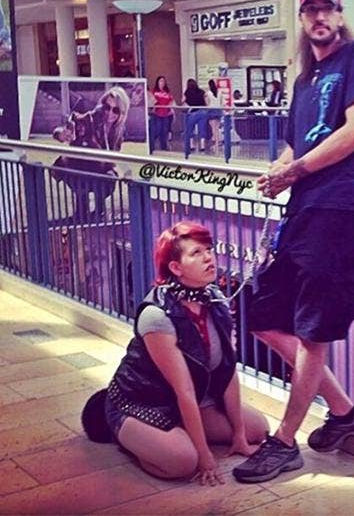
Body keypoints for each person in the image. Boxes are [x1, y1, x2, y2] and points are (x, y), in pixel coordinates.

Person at [232, 0, 354, 484]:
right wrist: (278, 171)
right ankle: (345, 412)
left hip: (338, 205)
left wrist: (294, 171)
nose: (319, 17)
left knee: (314, 330)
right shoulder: (303, 80)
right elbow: (298, 144)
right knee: (263, 316)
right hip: (301, 207)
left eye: (327, 8)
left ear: (339, 14)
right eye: (311, 10)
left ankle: (284, 442)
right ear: (302, 18)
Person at [101, 221, 269, 483]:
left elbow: (227, 372)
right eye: (196, 253)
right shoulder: (157, 315)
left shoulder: (214, 299)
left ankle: (181, 431)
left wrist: (239, 436)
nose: (208, 257)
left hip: (196, 400)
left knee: (257, 430)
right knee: (183, 462)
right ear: (176, 268)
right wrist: (204, 455)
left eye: (208, 249)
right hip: (143, 402)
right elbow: (184, 391)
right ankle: (132, 437)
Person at [51, 85, 130, 219]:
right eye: (107, 107)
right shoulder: (90, 118)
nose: (110, 113)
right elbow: (66, 128)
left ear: (122, 112)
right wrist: (61, 134)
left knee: (109, 179)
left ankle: (99, 210)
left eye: (115, 110)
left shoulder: (119, 130)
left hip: (100, 167)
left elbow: (113, 156)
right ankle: (81, 211)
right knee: (81, 181)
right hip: (79, 165)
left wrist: (122, 170)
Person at [183, 78, 210, 157]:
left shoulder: (187, 92)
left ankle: (192, 145)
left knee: (190, 128)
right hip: (202, 112)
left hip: (192, 112)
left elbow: (183, 101)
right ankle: (202, 146)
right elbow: (206, 102)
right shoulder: (201, 91)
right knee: (202, 129)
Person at [150, 75, 174, 151]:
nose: (162, 82)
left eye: (163, 81)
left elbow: (171, 101)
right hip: (157, 114)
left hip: (166, 114)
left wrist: (171, 109)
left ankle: (164, 147)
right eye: (160, 81)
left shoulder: (167, 92)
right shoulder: (154, 91)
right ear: (157, 82)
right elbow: (151, 101)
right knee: (157, 130)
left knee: (164, 131)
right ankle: (151, 146)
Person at [205, 78, 223, 152]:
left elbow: (207, 103)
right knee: (217, 128)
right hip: (219, 110)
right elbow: (221, 102)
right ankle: (218, 142)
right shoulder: (220, 92)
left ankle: (216, 143)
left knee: (213, 128)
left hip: (211, 110)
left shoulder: (208, 93)